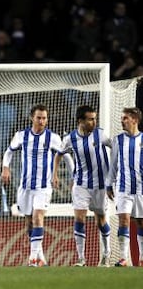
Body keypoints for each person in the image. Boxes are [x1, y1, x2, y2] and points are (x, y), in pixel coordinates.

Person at [2, 104, 73, 267]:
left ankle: (32, 258)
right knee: (29, 224)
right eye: (39, 118)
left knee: (38, 217)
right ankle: (41, 257)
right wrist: (5, 168)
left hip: (44, 186)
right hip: (25, 187)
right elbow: (9, 152)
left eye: (44, 118)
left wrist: (73, 176)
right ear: (32, 118)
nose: (42, 121)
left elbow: (67, 157)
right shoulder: (21, 135)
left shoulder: (53, 138)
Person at [53, 105, 112, 267]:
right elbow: (58, 155)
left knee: (100, 221)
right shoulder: (70, 138)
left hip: (100, 185)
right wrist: (55, 174)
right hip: (81, 184)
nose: (94, 122)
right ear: (80, 121)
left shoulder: (100, 134)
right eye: (91, 119)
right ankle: (81, 259)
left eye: (95, 118)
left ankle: (106, 254)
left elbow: (115, 148)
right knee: (79, 217)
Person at [106, 107, 143, 267]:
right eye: (122, 118)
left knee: (141, 222)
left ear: (135, 120)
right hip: (123, 188)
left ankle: (141, 257)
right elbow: (113, 164)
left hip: (141, 189)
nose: (122, 121)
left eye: (125, 118)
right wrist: (109, 183)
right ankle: (123, 258)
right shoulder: (118, 140)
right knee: (123, 220)